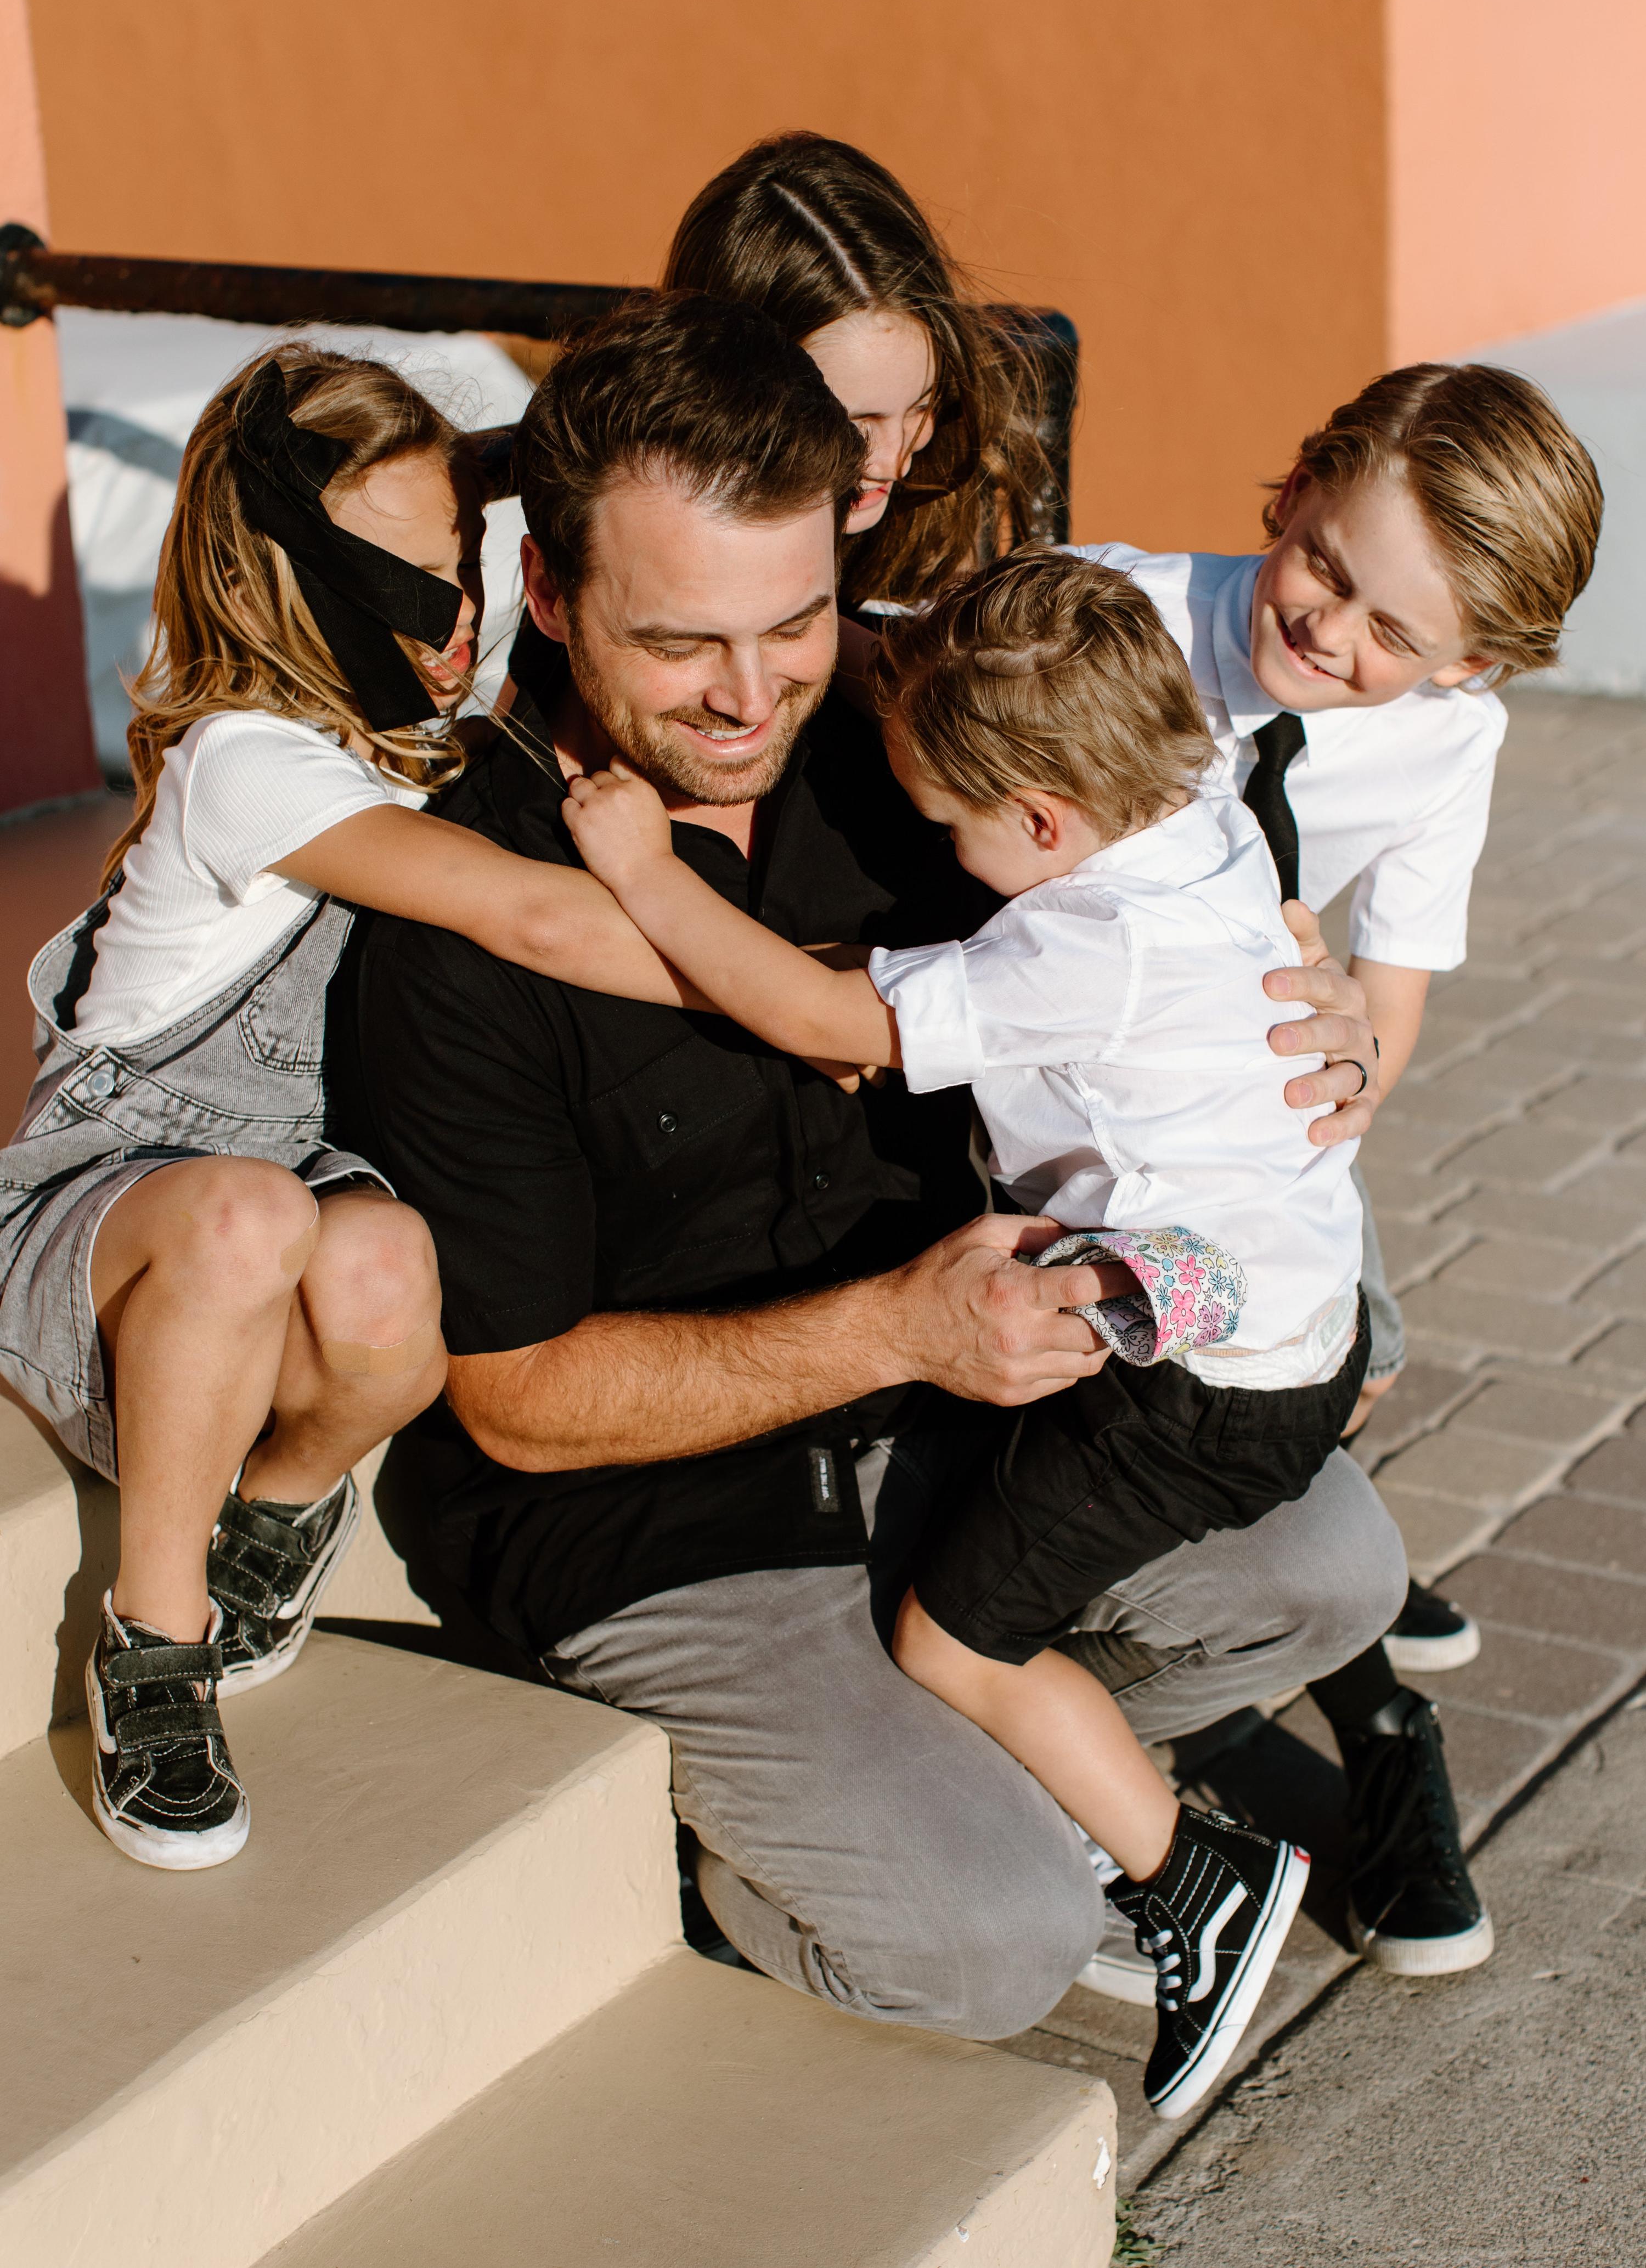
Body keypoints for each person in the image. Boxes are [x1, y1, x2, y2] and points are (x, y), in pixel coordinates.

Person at [342, 292, 1402, 2047]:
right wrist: (898, 1330)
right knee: (992, 1946)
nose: (751, 691)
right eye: (682, 642)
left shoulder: (927, 743)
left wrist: (1315, 999)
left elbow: (1171, 864)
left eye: (796, 622)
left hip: (956, 1429)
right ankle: (758, 1857)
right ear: (551, 591)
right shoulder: (462, 919)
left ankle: (979, 1780)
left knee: (1330, 1565)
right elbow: (520, 1406)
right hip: (667, 1519)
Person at [562, 545, 1374, 2116]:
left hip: (1195, 1392)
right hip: (1292, 1326)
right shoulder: (1199, 808)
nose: (944, 849)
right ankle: (1067, 1801)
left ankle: (1188, 1874)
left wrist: (644, 870)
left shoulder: (1076, 941)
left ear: (1045, 823)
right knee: (994, 1575)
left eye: (953, 825)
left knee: (954, 1637)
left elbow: (828, 1018)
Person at [0, 343, 751, 1871]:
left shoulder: (404, 737)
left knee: (389, 1258)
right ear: (289, 582)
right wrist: (818, 998)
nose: (459, 611)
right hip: (110, 1234)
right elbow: (532, 919)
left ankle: (279, 1502)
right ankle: (155, 1634)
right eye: (412, 583)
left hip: (285, 1222)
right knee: (249, 1214)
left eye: (465, 564)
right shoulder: (248, 762)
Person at [1072, 359, 1603, 1974]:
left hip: (1251, 1110)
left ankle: (1326, 1628)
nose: (1326, 630)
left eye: (1394, 630)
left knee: (1347, 1347)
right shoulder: (1108, 617)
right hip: (1072, 1078)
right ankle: (1366, 1709)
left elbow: (1387, 1002)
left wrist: (1341, 1086)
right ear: (1296, 483)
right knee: (1226, 1369)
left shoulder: (1448, 737)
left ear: (1472, 660)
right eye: (1323, 564)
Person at [662, 129, 1056, 608]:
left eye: (922, 406)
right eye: (857, 422)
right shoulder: (647, 516)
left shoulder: (941, 496)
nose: (895, 462)